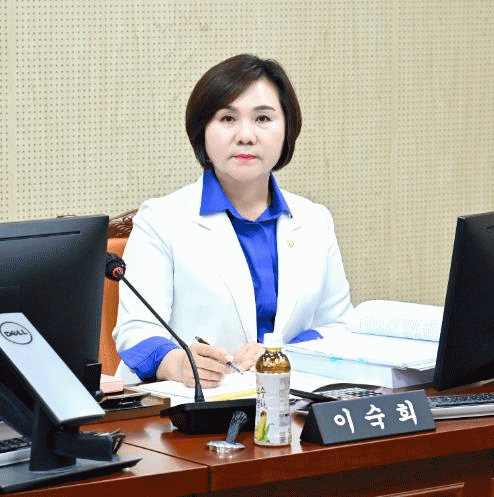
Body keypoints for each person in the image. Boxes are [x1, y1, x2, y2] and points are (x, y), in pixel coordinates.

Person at [113, 54, 353, 387]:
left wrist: (282, 355)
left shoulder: (315, 220)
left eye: (263, 118)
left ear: (287, 128)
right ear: (202, 130)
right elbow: (135, 330)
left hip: (291, 399)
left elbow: (340, 327)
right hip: (192, 402)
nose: (246, 136)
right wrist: (176, 363)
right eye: (227, 118)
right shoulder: (161, 219)